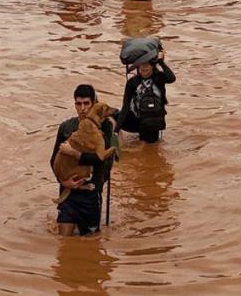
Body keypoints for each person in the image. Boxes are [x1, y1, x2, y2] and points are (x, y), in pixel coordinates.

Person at [50, 84, 115, 237]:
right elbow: (53, 160)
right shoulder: (66, 127)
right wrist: (63, 181)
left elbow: (103, 161)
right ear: (75, 105)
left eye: (86, 103)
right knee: (63, 243)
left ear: (93, 104)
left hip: (91, 193)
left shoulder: (105, 126)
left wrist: (75, 153)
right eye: (79, 104)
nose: (83, 108)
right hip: (68, 191)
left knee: (91, 243)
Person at [116, 37, 176, 143]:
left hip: (152, 121)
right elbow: (125, 107)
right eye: (141, 64)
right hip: (137, 120)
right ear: (137, 66)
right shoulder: (132, 83)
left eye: (147, 64)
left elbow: (172, 78)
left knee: (148, 146)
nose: (144, 67)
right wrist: (116, 130)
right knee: (110, 116)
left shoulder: (159, 78)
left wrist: (161, 62)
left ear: (153, 66)